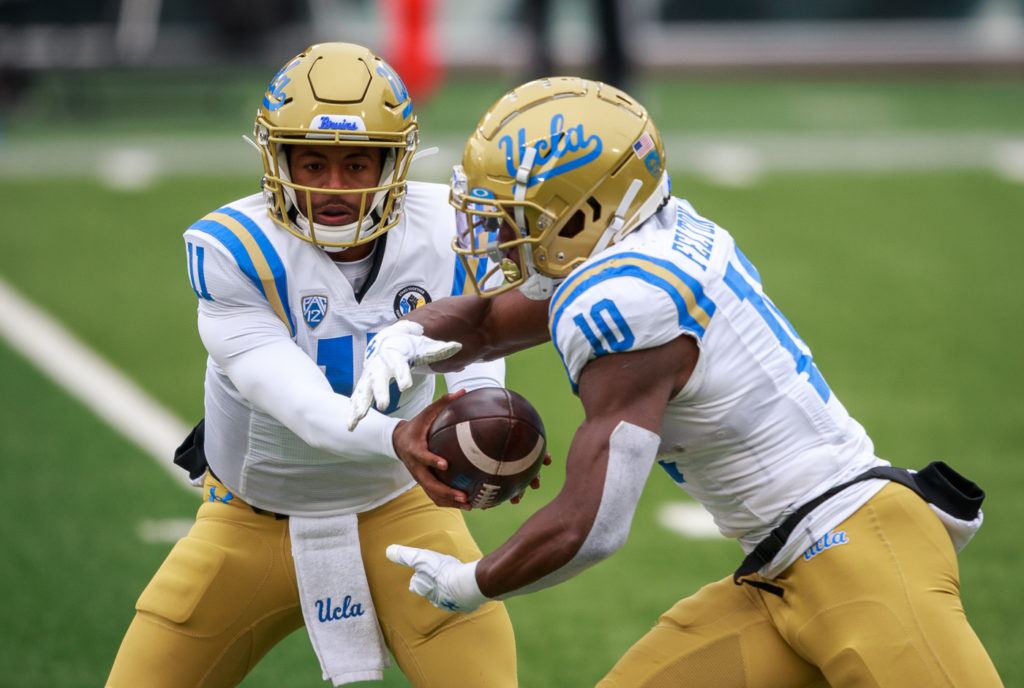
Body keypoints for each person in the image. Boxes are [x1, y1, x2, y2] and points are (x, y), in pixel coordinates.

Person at [348, 76, 1003, 686]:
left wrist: (473, 583)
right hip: (778, 570)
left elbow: (591, 524)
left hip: (857, 552)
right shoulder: (640, 236)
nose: (496, 232)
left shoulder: (628, 303)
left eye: (519, 215)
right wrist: (407, 335)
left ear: (584, 213)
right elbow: (488, 324)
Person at [106, 43, 521, 688]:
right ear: (278, 159)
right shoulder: (233, 250)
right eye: (313, 162)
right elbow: (303, 407)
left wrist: (488, 429)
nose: (332, 186)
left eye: (356, 163)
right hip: (250, 521)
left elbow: (480, 354)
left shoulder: (451, 225)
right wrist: (400, 437)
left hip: (403, 506)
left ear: (395, 161)